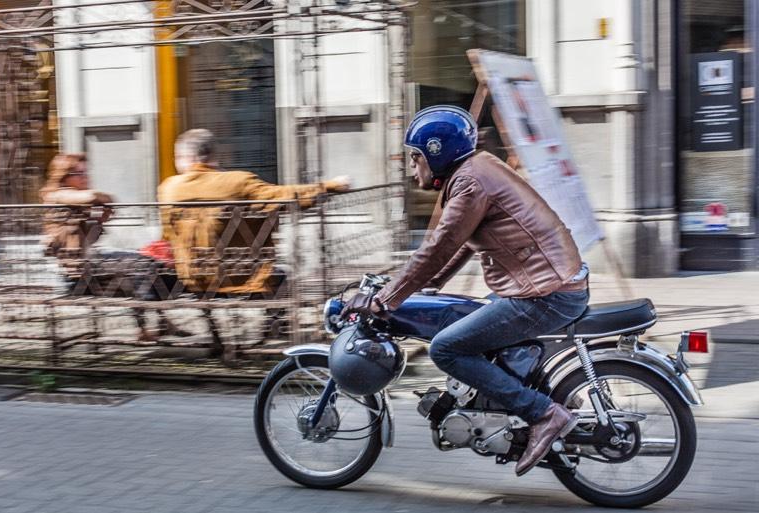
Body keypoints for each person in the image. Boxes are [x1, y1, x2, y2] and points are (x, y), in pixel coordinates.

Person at [343, 106, 590, 477]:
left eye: (416, 158)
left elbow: (439, 246)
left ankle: (543, 413)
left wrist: (386, 299)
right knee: (465, 320)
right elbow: (461, 243)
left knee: (446, 347)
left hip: (543, 292)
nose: (413, 168)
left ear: (437, 151)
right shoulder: (477, 169)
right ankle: (519, 407)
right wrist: (432, 284)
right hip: (546, 285)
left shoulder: (470, 182)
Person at [158, 128, 350, 298]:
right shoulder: (238, 182)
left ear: (187, 159)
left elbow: (167, 236)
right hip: (243, 279)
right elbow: (284, 196)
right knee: (280, 275)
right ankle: (275, 327)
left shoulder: (168, 189)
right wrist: (330, 186)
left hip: (193, 279)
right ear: (213, 156)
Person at [40, 153, 189, 342]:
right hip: (76, 273)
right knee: (139, 266)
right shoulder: (57, 195)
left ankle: (157, 323)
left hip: (88, 264)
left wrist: (99, 220)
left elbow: (87, 238)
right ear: (64, 177)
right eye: (80, 173)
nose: (86, 177)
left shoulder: (72, 202)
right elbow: (93, 195)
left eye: (86, 172)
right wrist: (106, 198)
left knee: (144, 264)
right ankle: (149, 326)